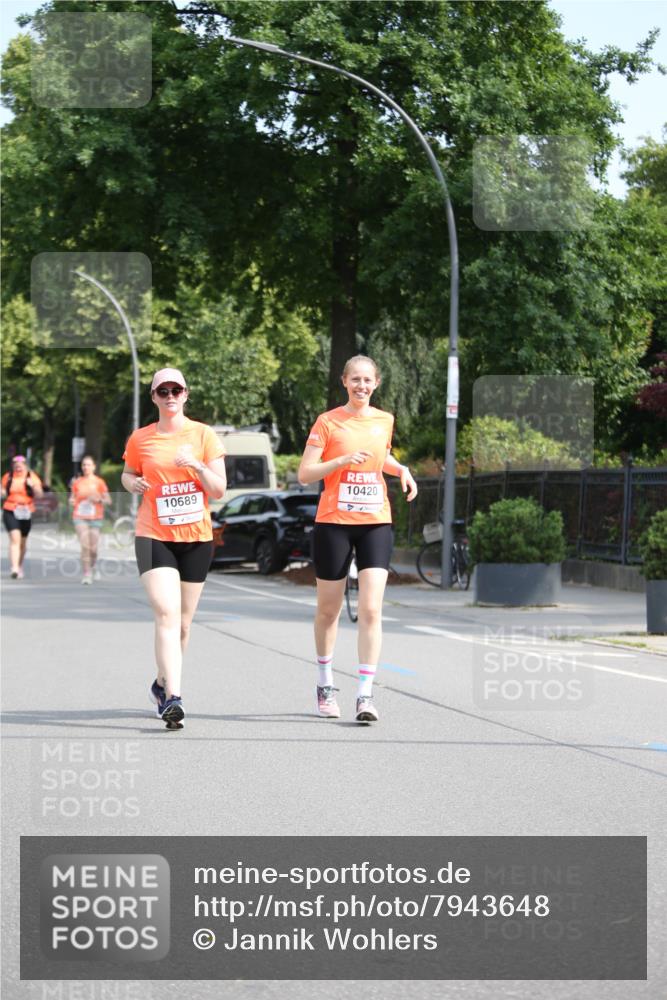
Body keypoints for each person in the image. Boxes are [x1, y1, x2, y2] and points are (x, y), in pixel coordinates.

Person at [298, 355, 418, 724]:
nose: (361, 386)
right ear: (344, 382)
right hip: (334, 521)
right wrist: (340, 461)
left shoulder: (385, 420)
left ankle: (365, 695)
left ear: (376, 383)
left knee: (370, 609)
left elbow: (379, 457)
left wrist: (401, 469)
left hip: (375, 520)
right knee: (329, 610)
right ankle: (325, 683)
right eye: (355, 380)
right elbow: (305, 473)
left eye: (367, 380)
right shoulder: (328, 422)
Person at [121, 368, 226, 729]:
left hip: (196, 538)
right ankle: (174, 699)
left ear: (185, 394)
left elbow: (218, 489)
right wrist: (132, 482)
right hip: (153, 535)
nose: (169, 396)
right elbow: (128, 472)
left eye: (175, 390)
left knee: (183, 625)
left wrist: (196, 464)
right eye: (161, 390)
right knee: (166, 613)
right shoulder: (141, 438)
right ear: (153, 397)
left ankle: (161, 683)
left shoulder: (203, 435)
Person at [69, 455, 111, 584]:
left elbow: (108, 500)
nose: (85, 467)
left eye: (88, 465)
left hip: (95, 517)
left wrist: (98, 499)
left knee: (93, 548)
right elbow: (72, 498)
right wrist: (71, 500)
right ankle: (86, 573)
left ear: (94, 467)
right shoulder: (77, 482)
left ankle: (93, 567)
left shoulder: (99, 482)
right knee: (85, 545)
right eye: (84, 465)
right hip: (80, 516)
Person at [2, 454, 43, 579]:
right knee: (15, 539)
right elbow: (3, 491)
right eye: (15, 464)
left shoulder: (32, 477)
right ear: (13, 465)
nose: (18, 467)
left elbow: (40, 494)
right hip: (10, 510)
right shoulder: (8, 477)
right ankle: (14, 568)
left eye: (20, 465)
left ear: (25, 465)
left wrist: (33, 486)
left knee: (22, 543)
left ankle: (19, 565)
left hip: (26, 511)